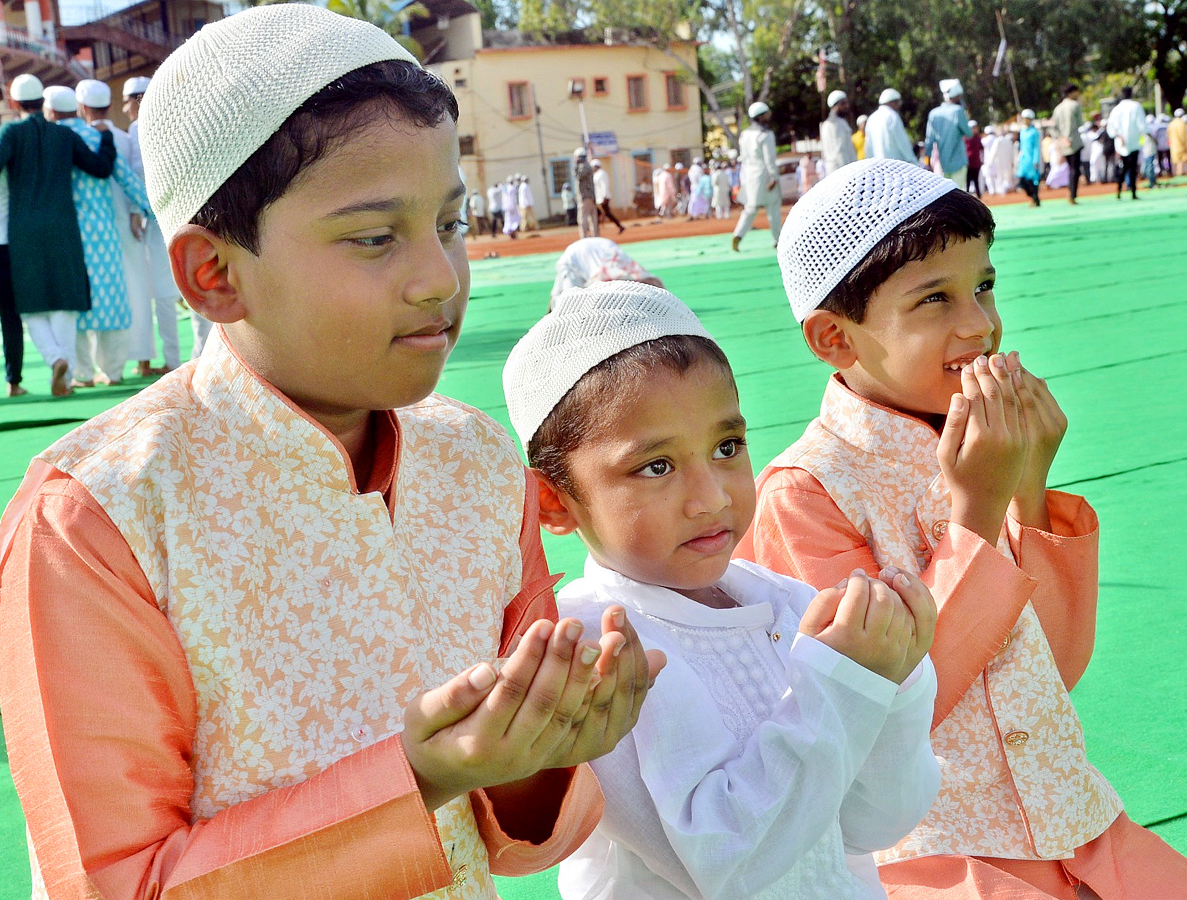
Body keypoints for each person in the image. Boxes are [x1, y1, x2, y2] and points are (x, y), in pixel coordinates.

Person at [0, 7, 667, 899]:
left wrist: (536, 751)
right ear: (213, 275)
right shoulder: (97, 519)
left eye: (450, 224)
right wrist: (416, 779)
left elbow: (514, 838)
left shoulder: (473, 462)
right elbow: (117, 883)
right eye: (375, 236)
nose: (440, 277)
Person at [737, 156, 1187, 900]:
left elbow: (1055, 669)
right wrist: (979, 512)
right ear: (834, 338)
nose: (980, 323)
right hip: (938, 861)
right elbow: (885, 714)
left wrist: (1029, 489)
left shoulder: (983, 443)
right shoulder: (805, 492)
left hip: (1076, 826)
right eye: (934, 300)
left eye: (983, 285)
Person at [502, 281, 941, 900]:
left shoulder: (785, 601)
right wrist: (842, 681)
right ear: (553, 501)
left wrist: (894, 679)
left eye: (727, 447)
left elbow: (874, 824)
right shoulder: (598, 650)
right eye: (656, 467)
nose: (711, 497)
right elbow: (728, 864)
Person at [0, 73, 116, 398]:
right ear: (42, 102)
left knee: (30, 307)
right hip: (63, 228)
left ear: (14, 103)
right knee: (64, 303)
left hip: (23, 230)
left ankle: (55, 358)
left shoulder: (11, 132)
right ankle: (67, 376)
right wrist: (107, 137)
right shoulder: (63, 135)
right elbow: (101, 167)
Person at [69, 79, 153, 387]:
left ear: (82, 106)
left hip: (78, 233)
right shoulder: (119, 137)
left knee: (81, 301)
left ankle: (83, 373)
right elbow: (130, 176)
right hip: (116, 229)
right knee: (121, 297)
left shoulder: (68, 138)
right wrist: (142, 210)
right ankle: (123, 366)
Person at [122, 74, 191, 368]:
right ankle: (197, 358)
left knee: (164, 294)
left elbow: (139, 176)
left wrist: (136, 211)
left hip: (159, 221)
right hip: (187, 215)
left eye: (127, 102)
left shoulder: (139, 129)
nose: (125, 109)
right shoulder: (180, 122)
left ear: (136, 101)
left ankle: (173, 362)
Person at [0, 117, 23, 396]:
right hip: (0, 241)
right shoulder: (1, 142)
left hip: (0, 239)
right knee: (8, 314)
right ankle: (13, 382)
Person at [548, 237, 663, 310]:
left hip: (598, 249)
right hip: (575, 258)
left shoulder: (627, 272)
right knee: (569, 305)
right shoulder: (610, 277)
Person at [732, 101, 782, 252]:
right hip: (765, 174)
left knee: (750, 208)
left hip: (750, 174)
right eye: (766, 114)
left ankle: (738, 234)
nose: (769, 116)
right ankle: (777, 239)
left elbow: (743, 158)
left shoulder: (745, 135)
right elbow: (769, 159)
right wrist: (774, 177)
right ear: (760, 117)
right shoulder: (765, 135)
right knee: (773, 208)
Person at [924, 79, 972, 189]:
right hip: (959, 161)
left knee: (947, 194)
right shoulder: (958, 111)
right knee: (960, 194)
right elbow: (969, 133)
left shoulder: (933, 113)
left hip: (943, 164)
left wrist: (927, 161)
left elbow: (929, 141)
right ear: (956, 95)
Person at [1107, 86, 1144, 200]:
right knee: (1132, 168)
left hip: (1121, 144)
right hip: (1134, 143)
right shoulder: (1136, 106)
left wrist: (1118, 136)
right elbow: (1142, 125)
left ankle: (1119, 190)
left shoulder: (1116, 109)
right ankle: (1132, 192)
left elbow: (1111, 128)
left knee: (1123, 168)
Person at [1049, 84, 1084, 203]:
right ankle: (1072, 194)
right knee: (1075, 170)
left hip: (1064, 143)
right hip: (1074, 142)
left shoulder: (1058, 108)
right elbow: (1080, 123)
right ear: (1071, 93)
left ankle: (1071, 193)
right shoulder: (1075, 105)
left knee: (1070, 169)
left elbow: (1053, 127)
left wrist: (1062, 138)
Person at [864, 89, 917, 164]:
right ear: (893, 102)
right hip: (895, 165)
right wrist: (913, 161)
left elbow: (868, 146)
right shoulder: (892, 116)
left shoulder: (872, 118)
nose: (899, 106)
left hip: (877, 166)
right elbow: (902, 142)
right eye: (898, 102)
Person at [820, 89, 857, 176]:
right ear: (834, 106)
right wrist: (850, 174)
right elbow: (840, 151)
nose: (846, 106)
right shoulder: (835, 124)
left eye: (846, 103)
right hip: (842, 171)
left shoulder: (835, 123)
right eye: (843, 104)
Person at [1016, 109, 1042, 206]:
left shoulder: (1034, 132)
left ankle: (1035, 199)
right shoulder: (1022, 132)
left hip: (1031, 160)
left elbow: (1036, 147)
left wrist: (1035, 160)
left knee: (1033, 180)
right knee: (1022, 181)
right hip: (1023, 159)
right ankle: (1032, 196)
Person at [591, 159, 624, 234]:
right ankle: (595, 231)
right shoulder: (596, 175)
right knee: (598, 214)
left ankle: (619, 226)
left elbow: (604, 186)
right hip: (599, 198)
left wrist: (604, 197)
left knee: (606, 213)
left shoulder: (602, 174)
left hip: (603, 198)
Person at [573, 147, 599, 238]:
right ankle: (595, 236)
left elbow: (579, 176)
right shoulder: (587, 166)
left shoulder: (584, 167)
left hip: (585, 197)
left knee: (582, 218)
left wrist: (575, 167)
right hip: (590, 196)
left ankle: (584, 237)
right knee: (592, 218)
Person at [964, 120, 983, 196]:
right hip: (967, 162)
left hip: (976, 163)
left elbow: (981, 148)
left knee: (976, 180)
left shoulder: (978, 138)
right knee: (968, 180)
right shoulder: (965, 138)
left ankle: (979, 195)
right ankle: (967, 195)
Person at [1170, 108, 1187, 176]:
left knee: (1175, 161)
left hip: (1173, 146)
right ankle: (1180, 174)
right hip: (1182, 145)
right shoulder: (1182, 124)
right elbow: (1184, 136)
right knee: (1182, 161)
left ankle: (1175, 174)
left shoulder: (1171, 124)